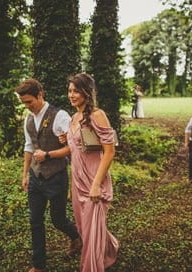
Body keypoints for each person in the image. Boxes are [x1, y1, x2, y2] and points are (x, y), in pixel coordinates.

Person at [16, 79, 82, 272]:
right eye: (23, 103)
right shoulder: (28, 119)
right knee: (35, 220)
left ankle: (76, 237)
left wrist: (48, 155)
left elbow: (72, 147)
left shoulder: (59, 116)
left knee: (57, 219)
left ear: (40, 95)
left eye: (29, 102)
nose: (27, 106)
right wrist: (25, 174)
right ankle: (39, 265)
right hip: (36, 178)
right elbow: (29, 147)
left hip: (56, 177)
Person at [63, 73, 120, 271]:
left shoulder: (98, 115)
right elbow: (75, 149)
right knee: (83, 227)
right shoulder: (74, 117)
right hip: (77, 179)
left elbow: (109, 151)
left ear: (87, 92)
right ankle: (109, 247)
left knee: (91, 226)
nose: (71, 95)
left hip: (94, 178)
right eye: (70, 91)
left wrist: (96, 184)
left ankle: (92, 267)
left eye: (76, 91)